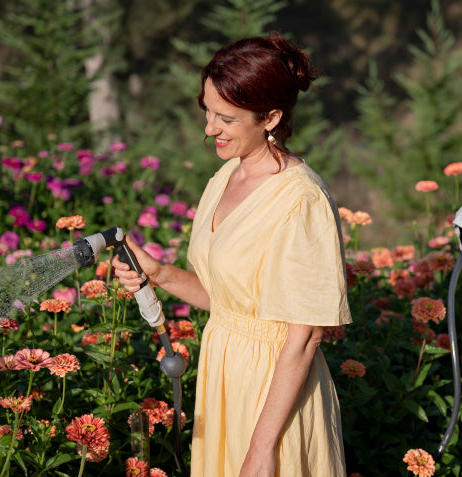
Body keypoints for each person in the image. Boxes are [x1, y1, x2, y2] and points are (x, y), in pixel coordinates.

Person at [113, 32, 352, 477]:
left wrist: (262, 451)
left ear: (271, 117)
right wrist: (159, 273)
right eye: (206, 110)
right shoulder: (225, 177)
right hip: (223, 377)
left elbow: (304, 338)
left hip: (274, 398)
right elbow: (230, 302)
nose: (209, 128)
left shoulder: (300, 199)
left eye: (226, 118)